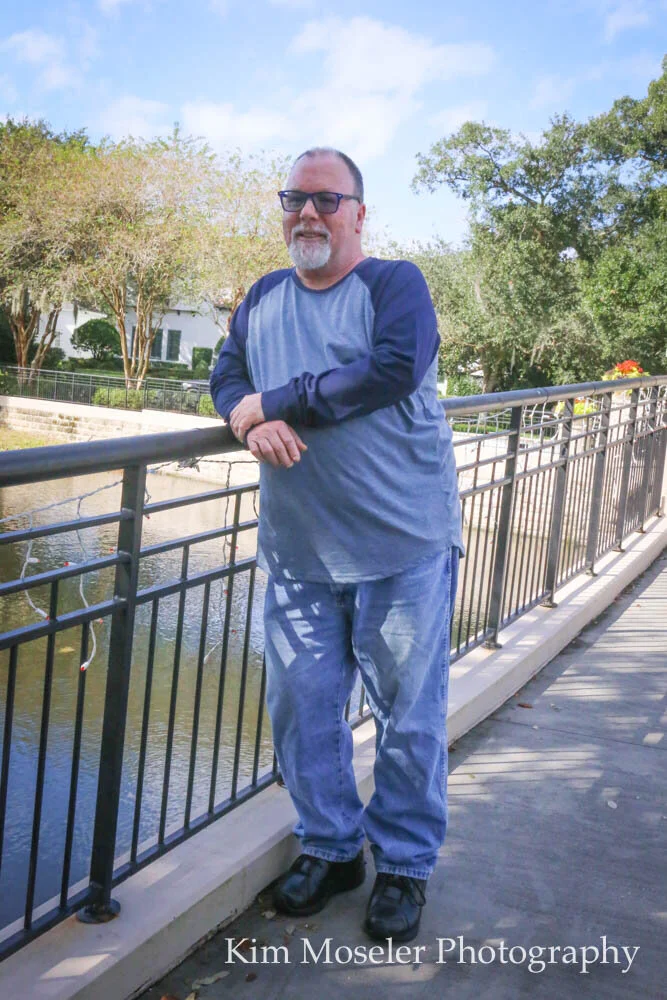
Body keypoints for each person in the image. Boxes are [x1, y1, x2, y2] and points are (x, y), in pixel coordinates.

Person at [210, 147, 463, 943]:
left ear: (358, 213)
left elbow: (389, 371)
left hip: (402, 546)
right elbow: (225, 378)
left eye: (326, 199)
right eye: (295, 198)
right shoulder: (262, 296)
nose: (308, 213)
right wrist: (246, 418)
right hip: (299, 555)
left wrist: (276, 402)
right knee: (301, 711)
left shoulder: (394, 286)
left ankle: (404, 866)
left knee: (407, 719)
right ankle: (330, 847)